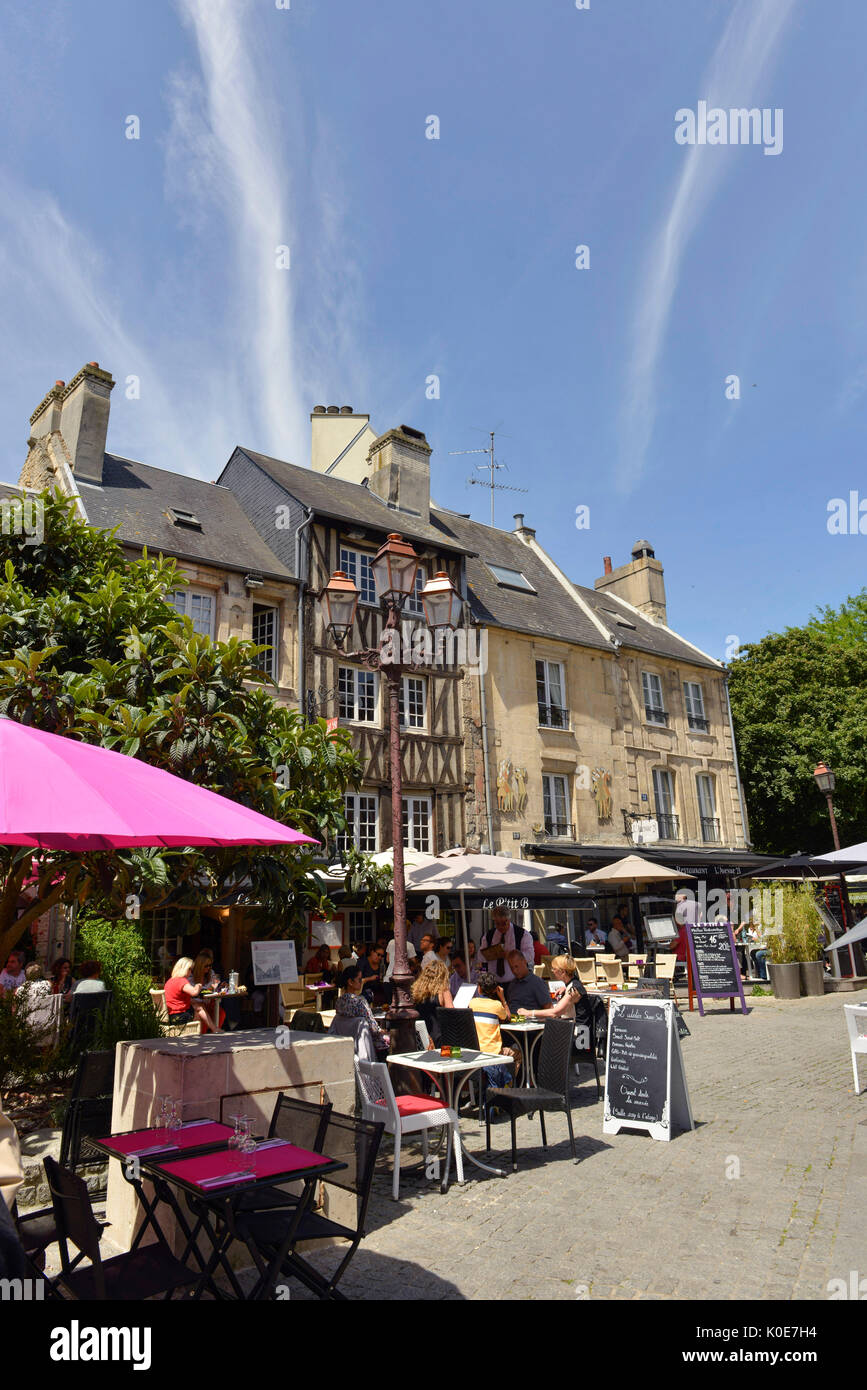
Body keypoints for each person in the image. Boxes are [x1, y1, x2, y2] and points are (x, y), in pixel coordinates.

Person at [468, 972, 521, 1082]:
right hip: (493, 1053)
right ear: (495, 990)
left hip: (476, 1051)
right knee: (518, 1053)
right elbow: (508, 1017)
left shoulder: (472, 1003)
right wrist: (503, 999)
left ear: (479, 989)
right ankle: (509, 1084)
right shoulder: (497, 1005)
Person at [334, 964, 389, 1057]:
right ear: (350, 982)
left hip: (347, 1046)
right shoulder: (360, 1002)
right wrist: (382, 1031)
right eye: (359, 980)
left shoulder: (339, 1002)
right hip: (365, 1046)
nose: (361, 982)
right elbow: (373, 1029)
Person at [479, 906, 534, 985]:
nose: (500, 927)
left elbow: (530, 955)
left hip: (516, 982)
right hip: (493, 982)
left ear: (509, 919)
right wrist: (491, 953)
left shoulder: (522, 934)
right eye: (497, 924)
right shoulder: (489, 935)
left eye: (504, 923)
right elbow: (480, 956)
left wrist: (511, 955)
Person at [164, 957, 219, 1032]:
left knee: (198, 1006)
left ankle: (211, 1030)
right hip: (179, 1017)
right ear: (184, 969)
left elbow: (178, 999)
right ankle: (200, 1033)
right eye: (190, 969)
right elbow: (194, 992)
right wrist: (198, 985)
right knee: (199, 1010)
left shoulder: (170, 981)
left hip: (170, 1016)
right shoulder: (182, 981)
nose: (191, 972)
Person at [410, 960, 454, 1047]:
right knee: (458, 1054)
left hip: (422, 1039)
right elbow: (451, 1014)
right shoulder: (443, 990)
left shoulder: (417, 991)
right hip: (441, 1043)